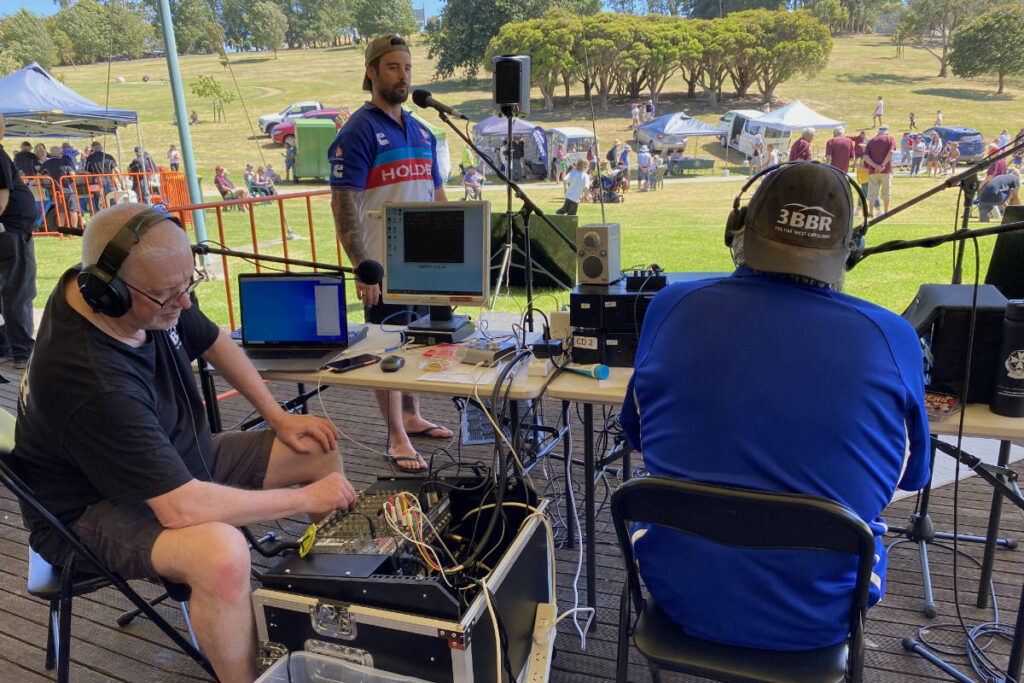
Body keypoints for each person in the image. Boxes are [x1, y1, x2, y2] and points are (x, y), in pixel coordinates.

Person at [4, 202, 356, 683]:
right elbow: (183, 510)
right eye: (169, 296)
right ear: (109, 293)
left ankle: (335, 612)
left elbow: (211, 339)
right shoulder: (89, 378)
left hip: (172, 462)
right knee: (222, 553)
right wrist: (304, 499)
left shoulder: (132, 286)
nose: (185, 304)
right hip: (92, 512)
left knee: (316, 446)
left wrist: (279, 417)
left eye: (187, 285)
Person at [620, 161, 930, 652]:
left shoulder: (669, 307)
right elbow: (912, 476)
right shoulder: (893, 338)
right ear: (852, 250)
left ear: (738, 232)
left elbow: (637, 434)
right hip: (822, 617)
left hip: (679, 596)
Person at [328, 34, 453, 475]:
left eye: (407, 68)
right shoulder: (358, 131)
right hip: (383, 265)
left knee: (417, 341)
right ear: (372, 72)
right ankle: (395, 437)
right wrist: (364, 268)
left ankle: (412, 416)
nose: (403, 76)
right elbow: (344, 206)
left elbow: (438, 196)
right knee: (387, 349)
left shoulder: (421, 129)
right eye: (393, 68)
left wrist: (451, 258)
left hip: (423, 266)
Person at [0, 113, 39, 369]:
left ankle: (7, 345)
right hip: (11, 231)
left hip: (10, 230)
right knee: (18, 290)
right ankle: (22, 350)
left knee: (7, 290)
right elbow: (1, 199)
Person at [41, 145, 84, 229]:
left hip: (57, 191)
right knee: (73, 210)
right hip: (69, 189)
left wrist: (32, 183)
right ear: (60, 153)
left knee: (61, 212)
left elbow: (39, 174)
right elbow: (72, 175)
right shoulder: (65, 162)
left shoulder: (46, 163)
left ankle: (62, 230)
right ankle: (74, 229)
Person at [865, 124, 896, 216]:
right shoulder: (890, 139)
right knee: (886, 192)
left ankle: (870, 212)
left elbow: (866, 157)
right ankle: (886, 212)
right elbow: (891, 152)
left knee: (872, 193)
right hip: (886, 170)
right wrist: (882, 165)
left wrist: (875, 166)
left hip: (873, 171)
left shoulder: (871, 141)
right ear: (887, 131)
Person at [85, 141, 120, 209]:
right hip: (109, 182)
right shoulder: (109, 157)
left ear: (93, 149)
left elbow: (87, 172)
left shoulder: (90, 158)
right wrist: (122, 183)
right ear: (101, 148)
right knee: (112, 203)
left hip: (96, 183)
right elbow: (116, 170)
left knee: (99, 204)